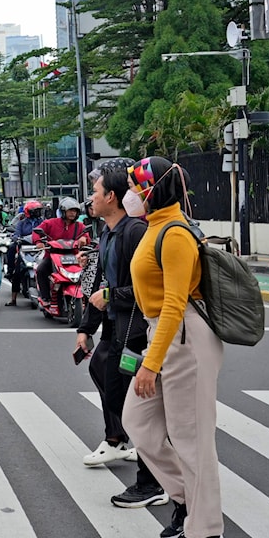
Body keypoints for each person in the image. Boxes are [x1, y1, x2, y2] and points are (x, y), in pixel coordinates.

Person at [122, 156, 228, 538]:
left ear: (152, 189)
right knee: (138, 421)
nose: (131, 192)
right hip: (163, 333)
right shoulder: (154, 228)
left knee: (192, 437)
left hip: (185, 338)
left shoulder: (176, 233)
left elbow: (174, 302)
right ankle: (185, 498)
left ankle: (206, 532)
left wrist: (151, 363)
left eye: (136, 185)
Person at [75, 162, 168, 508]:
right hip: (116, 326)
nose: (91, 199)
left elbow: (147, 288)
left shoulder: (134, 233)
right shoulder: (107, 234)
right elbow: (100, 282)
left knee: (137, 406)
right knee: (101, 373)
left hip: (137, 331)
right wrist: (85, 328)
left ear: (110, 197)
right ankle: (121, 440)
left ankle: (152, 478)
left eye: (95, 193)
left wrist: (112, 297)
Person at [33, 196, 88, 302]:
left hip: (74, 257)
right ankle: (45, 297)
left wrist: (84, 238)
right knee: (41, 270)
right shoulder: (51, 223)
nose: (73, 213)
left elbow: (86, 236)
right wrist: (38, 242)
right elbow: (37, 231)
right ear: (63, 211)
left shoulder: (80, 226)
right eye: (70, 211)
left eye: (75, 211)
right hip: (53, 256)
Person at [4, 200, 43, 306]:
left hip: (39, 248)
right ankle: (13, 299)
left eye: (39, 210)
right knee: (17, 272)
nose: (38, 212)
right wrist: (17, 238)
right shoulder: (22, 222)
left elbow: (47, 232)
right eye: (36, 211)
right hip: (25, 248)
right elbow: (16, 233)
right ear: (28, 212)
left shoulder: (42, 222)